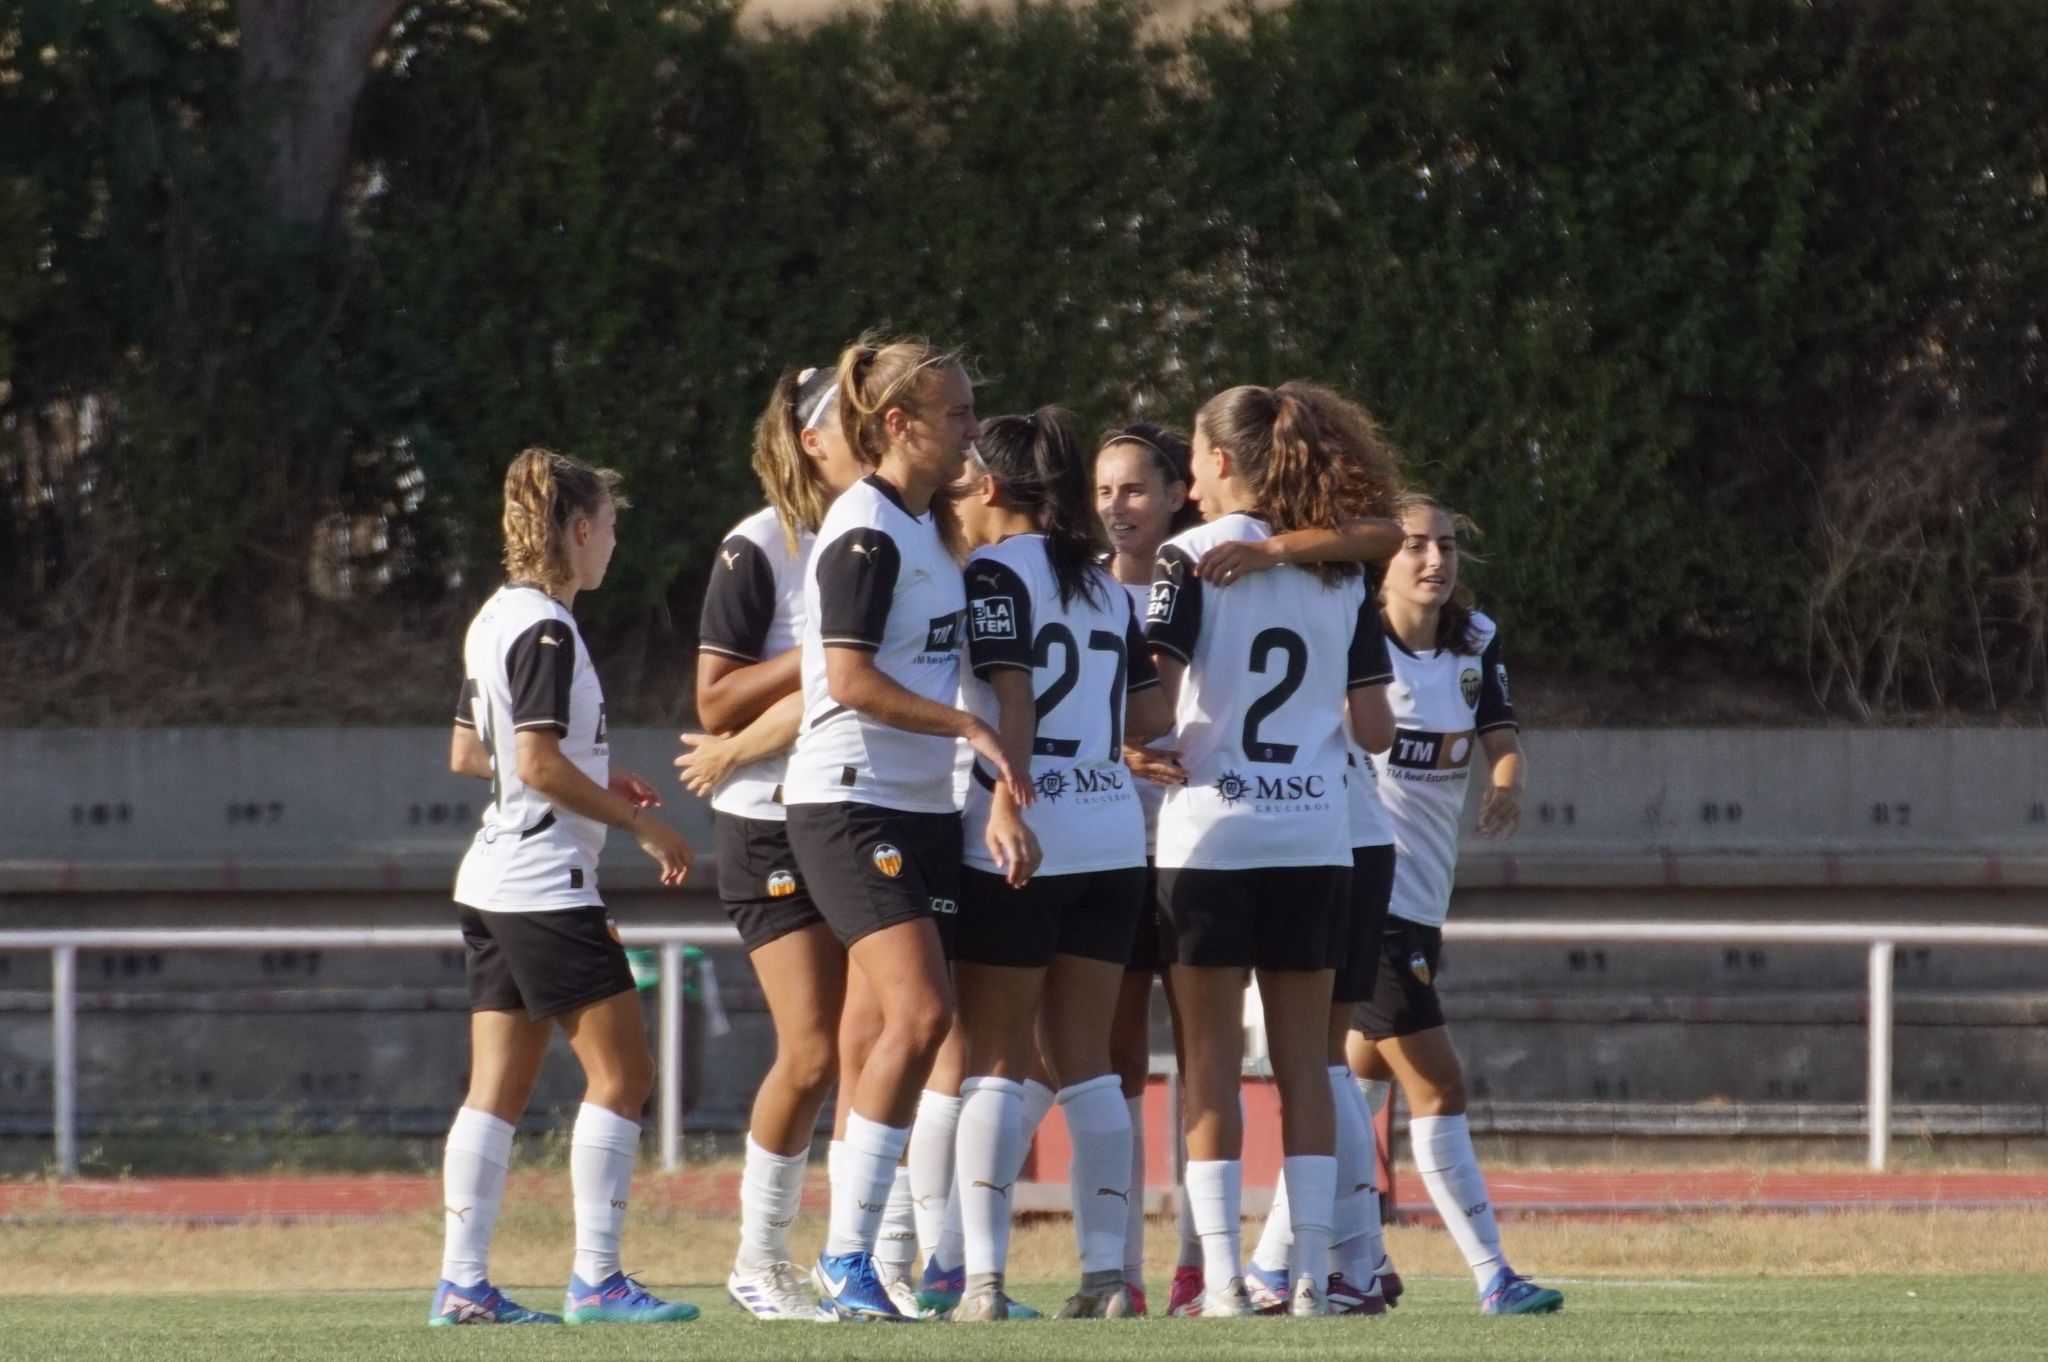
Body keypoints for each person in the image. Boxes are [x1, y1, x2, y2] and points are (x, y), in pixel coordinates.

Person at [779, 337, 1028, 1322]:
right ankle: (844, 1259)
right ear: (897, 424)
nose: (972, 428)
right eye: (958, 413)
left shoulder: (929, 532)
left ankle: (865, 1259)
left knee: (880, 1032)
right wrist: (967, 727)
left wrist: (995, 771)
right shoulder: (867, 531)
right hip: (850, 798)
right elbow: (844, 681)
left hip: (920, 807)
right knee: (922, 1018)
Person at [434, 448, 698, 1328]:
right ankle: (598, 1281)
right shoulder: (550, 629)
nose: (615, 546)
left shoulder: (493, 617)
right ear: (579, 531)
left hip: (492, 880)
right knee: (626, 1075)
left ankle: (462, 1288)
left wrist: (595, 768)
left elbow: (475, 754)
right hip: (546, 885)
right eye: (611, 528)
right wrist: (642, 824)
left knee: (497, 1092)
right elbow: (537, 761)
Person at [1143, 383, 1391, 1317]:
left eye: (1195, 463)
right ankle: (1316, 1280)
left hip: (1213, 829)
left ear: (1215, 462)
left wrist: (1122, 735)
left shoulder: (1192, 554)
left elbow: (1155, 703)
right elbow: (1371, 729)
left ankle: (1218, 1286)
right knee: (1308, 1067)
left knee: (1208, 1064)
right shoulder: (1340, 571)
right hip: (1316, 833)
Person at [944, 409, 1171, 1321]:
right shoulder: (1107, 585)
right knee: (1085, 1060)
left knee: (995, 1057)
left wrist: (1009, 790)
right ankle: (1109, 1278)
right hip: (1114, 836)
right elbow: (1149, 719)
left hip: (1023, 834)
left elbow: (1012, 692)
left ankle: (985, 1283)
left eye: (964, 480)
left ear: (992, 488)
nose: (955, 495)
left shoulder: (995, 570)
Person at [678, 365, 888, 1321]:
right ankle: (758, 1260)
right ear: (813, 440)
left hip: (854, 807)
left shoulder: (888, 532)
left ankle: (864, 1258)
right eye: (856, 424)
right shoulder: (761, 543)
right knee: (808, 1052)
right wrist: (823, 654)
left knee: (872, 1040)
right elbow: (714, 703)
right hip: (768, 822)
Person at [1349, 493, 1564, 1316]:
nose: (1434, 561)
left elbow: (1501, 741)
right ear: (1383, 562)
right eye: (1414, 547)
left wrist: (1506, 786)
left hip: (1423, 905)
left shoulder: (1476, 641)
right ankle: (1493, 1274)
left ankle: (1278, 1264)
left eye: (1444, 545)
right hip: (1370, 905)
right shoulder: (1354, 641)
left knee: (1356, 1086)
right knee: (1440, 1087)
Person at [1093, 422, 1201, 1315]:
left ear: (1177, 495)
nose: (1116, 507)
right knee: (1119, 1062)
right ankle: (1119, 1267)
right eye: (1103, 491)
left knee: (1204, 1057)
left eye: (1133, 489)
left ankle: (1200, 1264)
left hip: (1204, 848)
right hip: (1113, 850)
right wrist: (1123, 753)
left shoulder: (1212, 584)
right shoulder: (1080, 593)